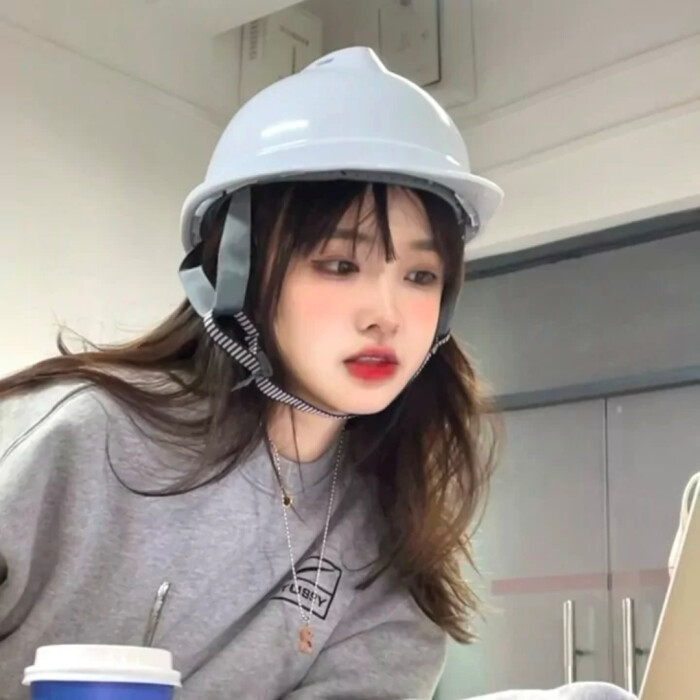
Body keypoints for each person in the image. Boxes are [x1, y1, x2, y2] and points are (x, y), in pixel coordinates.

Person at [0, 47, 504, 698]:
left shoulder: (395, 538)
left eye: (420, 275)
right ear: (235, 272)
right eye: (340, 265)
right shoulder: (79, 436)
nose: (387, 315)